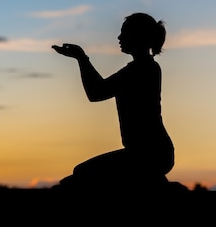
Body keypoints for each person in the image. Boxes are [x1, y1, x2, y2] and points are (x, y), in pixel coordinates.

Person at [52, 12, 174, 193]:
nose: (119, 37)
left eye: (124, 32)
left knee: (80, 176)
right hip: (151, 154)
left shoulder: (140, 70)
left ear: (138, 36)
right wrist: (81, 58)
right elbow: (98, 92)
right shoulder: (144, 67)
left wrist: (82, 58)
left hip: (148, 156)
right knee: (80, 176)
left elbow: (96, 92)